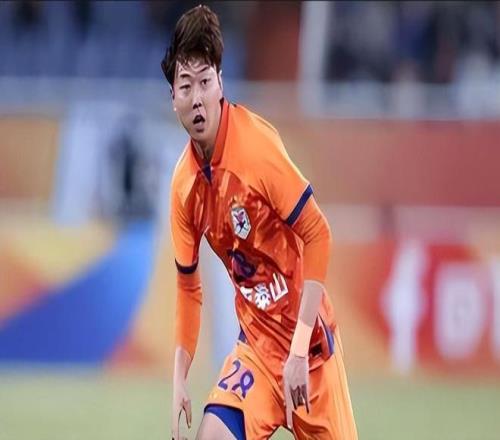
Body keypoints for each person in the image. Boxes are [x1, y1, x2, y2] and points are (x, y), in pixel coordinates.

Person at [162, 5, 358, 439]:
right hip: (255, 349)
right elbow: (188, 286)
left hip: (310, 352)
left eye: (205, 82)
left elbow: (318, 233)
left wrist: (298, 351)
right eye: (185, 86)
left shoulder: (256, 148)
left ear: (220, 84)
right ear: (173, 97)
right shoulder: (183, 186)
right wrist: (179, 375)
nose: (197, 98)